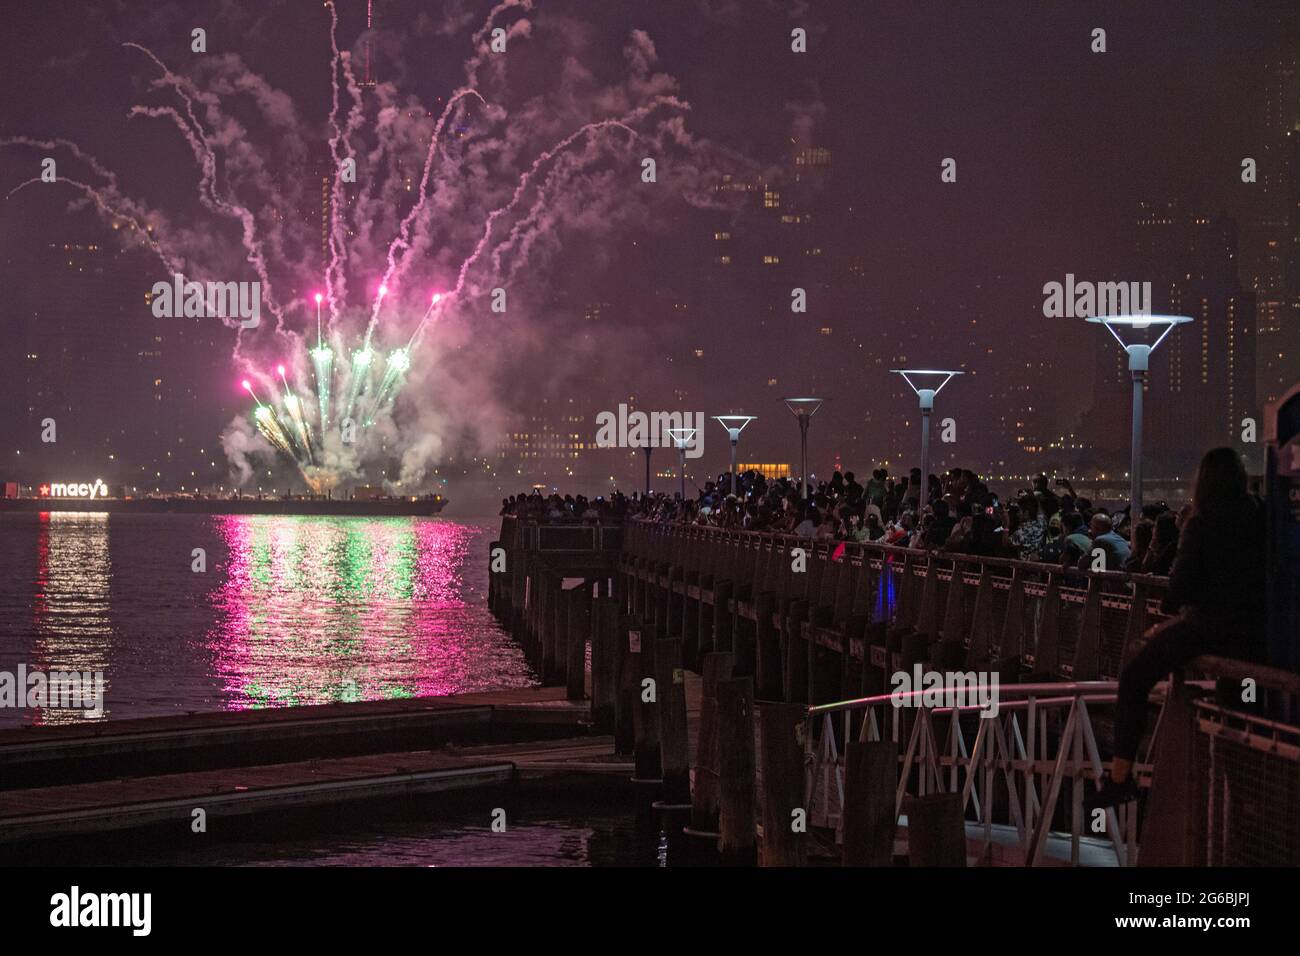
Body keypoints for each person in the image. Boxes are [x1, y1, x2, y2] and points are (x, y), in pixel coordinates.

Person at [1087, 448, 1266, 809]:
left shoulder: (1201, 523)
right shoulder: (1260, 516)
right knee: (1242, 710)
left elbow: (1178, 590)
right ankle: (1247, 798)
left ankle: (1121, 775)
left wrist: (1173, 611)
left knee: (1135, 674)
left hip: (1207, 626)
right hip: (1255, 631)